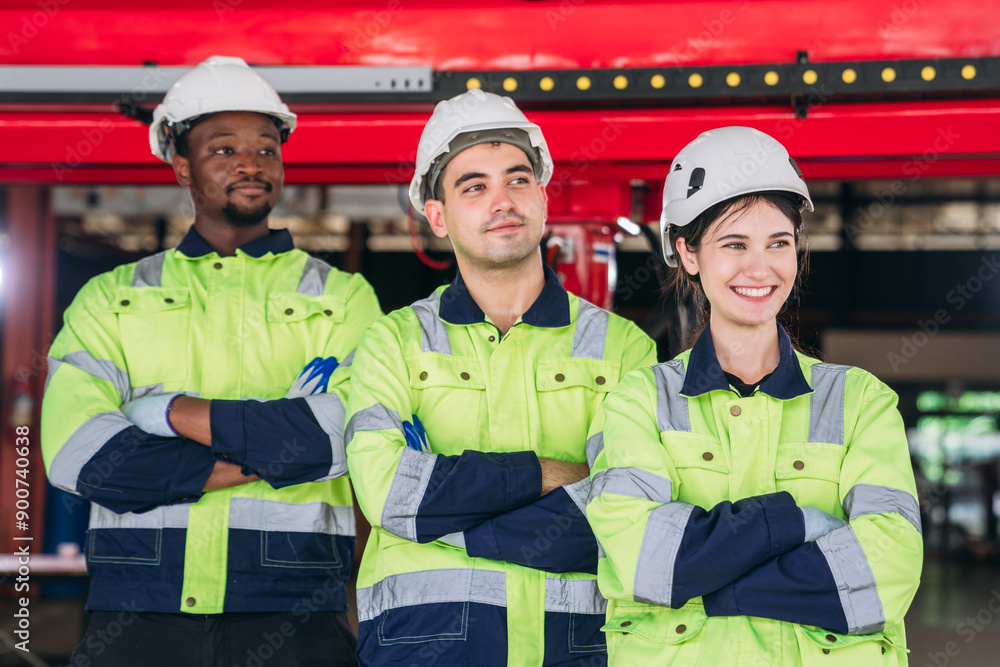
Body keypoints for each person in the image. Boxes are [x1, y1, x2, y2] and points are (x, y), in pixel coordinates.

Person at [41, 56, 381, 667]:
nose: (250, 163)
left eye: (266, 148)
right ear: (181, 165)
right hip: (139, 617)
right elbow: (78, 454)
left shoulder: (340, 297)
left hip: (295, 613)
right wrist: (271, 447)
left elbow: (350, 436)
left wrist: (169, 412)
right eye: (223, 149)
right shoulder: (114, 299)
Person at [585, 126, 922, 666]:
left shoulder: (860, 401)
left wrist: (708, 585)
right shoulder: (638, 400)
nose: (759, 268)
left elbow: (888, 571)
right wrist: (800, 524)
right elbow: (642, 560)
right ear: (688, 254)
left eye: (778, 243)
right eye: (734, 244)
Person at [344, 89, 657, 666]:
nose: (502, 201)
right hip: (422, 649)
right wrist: (546, 473)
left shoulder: (622, 348)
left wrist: (444, 516)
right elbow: (390, 494)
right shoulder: (391, 343)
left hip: (575, 650)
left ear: (542, 196)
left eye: (517, 179)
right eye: (474, 186)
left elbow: (624, 518)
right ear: (437, 216)